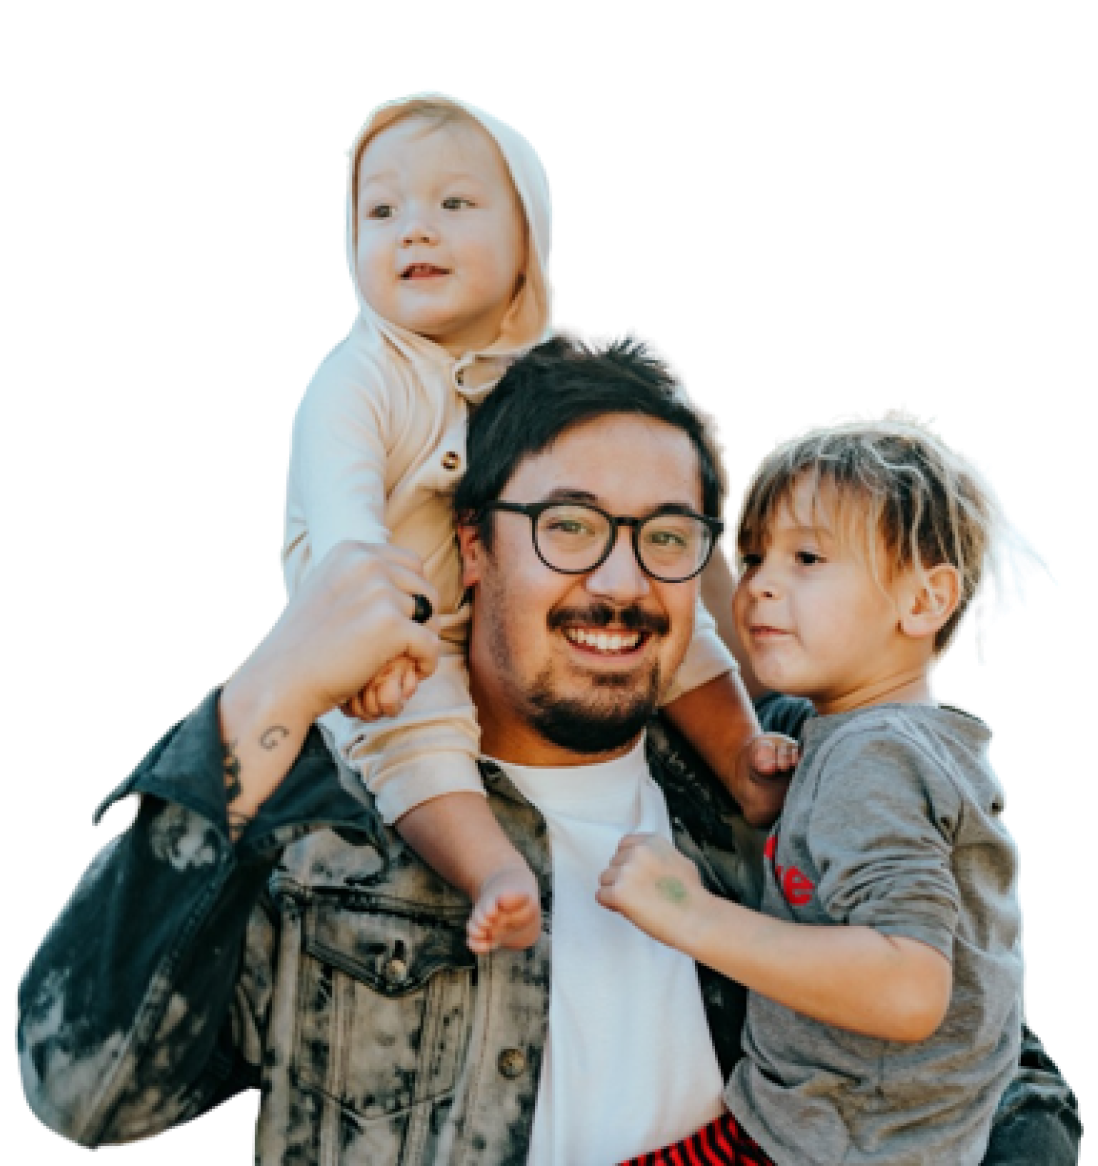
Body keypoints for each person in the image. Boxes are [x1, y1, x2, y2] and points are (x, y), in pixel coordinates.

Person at [15, 344, 1080, 1162]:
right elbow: (85, 1089)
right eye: (569, 525)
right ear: (473, 545)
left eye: (665, 535)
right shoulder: (312, 805)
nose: (620, 581)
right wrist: (265, 691)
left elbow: (989, 1049)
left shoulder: (774, 774)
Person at [279, 90, 795, 954]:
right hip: (392, 636)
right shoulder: (360, 377)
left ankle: (744, 762)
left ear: (529, 242)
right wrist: (373, 641)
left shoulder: (548, 371)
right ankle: (493, 870)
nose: (415, 229)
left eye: (454, 204)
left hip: (501, 614)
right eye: (382, 210)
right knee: (415, 740)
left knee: (670, 616)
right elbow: (345, 527)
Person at [599, 407, 1060, 1164]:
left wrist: (685, 911)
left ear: (924, 600)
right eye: (753, 558)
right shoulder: (903, 742)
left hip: (820, 1143)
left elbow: (910, 988)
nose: (759, 589)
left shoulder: (872, 757)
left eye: (808, 559)